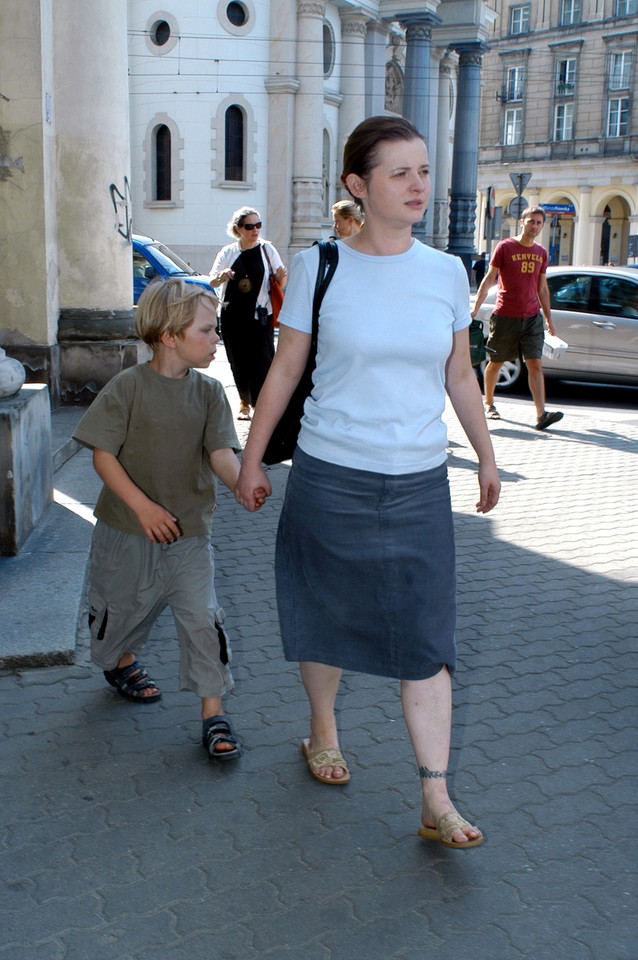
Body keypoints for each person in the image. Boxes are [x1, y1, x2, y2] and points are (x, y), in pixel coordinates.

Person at [236, 116, 500, 849]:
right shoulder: (320, 267)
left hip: (418, 483)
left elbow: (457, 373)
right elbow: (285, 371)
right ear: (358, 184)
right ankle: (322, 727)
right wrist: (252, 460)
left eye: (423, 169)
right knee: (324, 613)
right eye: (400, 173)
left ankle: (435, 797)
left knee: (426, 633)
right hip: (330, 475)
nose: (419, 184)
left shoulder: (446, 272)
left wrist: (484, 453)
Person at [73, 278, 256, 762]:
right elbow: (102, 456)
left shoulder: (211, 392)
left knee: (202, 617)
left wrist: (241, 481)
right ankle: (120, 661)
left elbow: (220, 450)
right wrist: (143, 507)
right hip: (125, 532)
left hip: (190, 534)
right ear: (170, 335)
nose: (217, 338)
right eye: (207, 330)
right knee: (119, 616)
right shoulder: (127, 387)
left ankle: (213, 713)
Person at [471, 206, 564, 430]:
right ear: (522, 222)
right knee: (496, 362)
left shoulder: (541, 252)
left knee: (535, 364)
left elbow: (543, 289)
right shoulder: (505, 247)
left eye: (539, 223)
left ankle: (541, 415)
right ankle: (489, 403)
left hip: (532, 317)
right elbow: (489, 279)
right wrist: (475, 307)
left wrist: (549, 319)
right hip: (505, 315)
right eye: (531, 221)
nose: (534, 226)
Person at [209, 207, 287, 421]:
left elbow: (281, 281)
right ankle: (244, 402)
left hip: (260, 315)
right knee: (239, 360)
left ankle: (263, 404)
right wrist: (222, 276)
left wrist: (281, 278)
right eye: (250, 226)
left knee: (264, 360)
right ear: (238, 229)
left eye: (258, 225)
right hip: (233, 315)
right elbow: (212, 280)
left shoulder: (267, 250)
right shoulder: (229, 252)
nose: (255, 230)